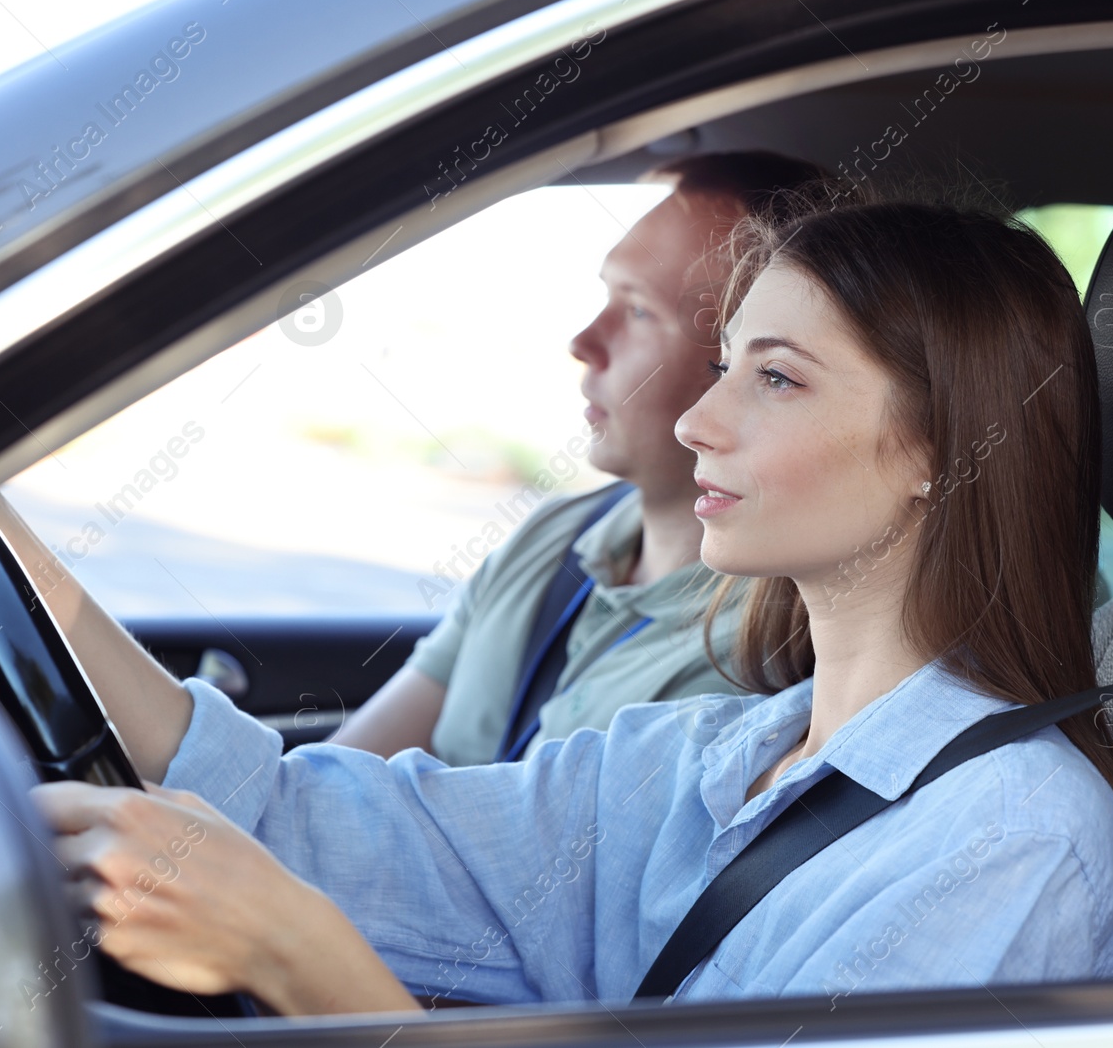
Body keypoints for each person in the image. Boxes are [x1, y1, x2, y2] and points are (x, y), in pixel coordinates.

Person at [24, 189, 1113, 1018]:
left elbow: (295, 895)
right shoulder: (709, 760)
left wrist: (295, 950)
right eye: (721, 362)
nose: (697, 421)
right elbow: (299, 818)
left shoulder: (1011, 846)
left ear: (941, 445)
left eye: (774, 376)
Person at [332, 152, 824, 763]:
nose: (583, 342)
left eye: (640, 310)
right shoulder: (555, 535)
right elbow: (338, 777)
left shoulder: (772, 652)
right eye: (606, 296)